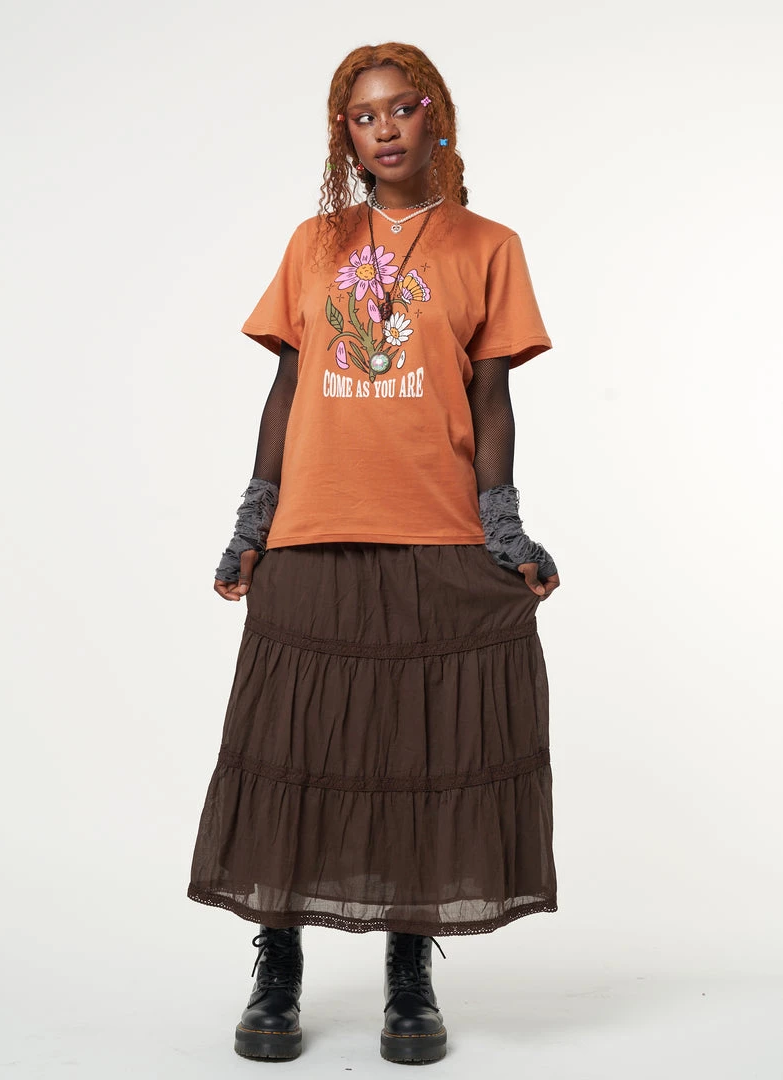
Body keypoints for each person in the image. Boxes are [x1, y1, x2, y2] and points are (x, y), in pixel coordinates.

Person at [187, 41, 560, 1066]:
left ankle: (408, 968)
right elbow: (287, 387)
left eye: (402, 107)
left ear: (436, 114)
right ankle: (278, 965)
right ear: (343, 136)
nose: (384, 128)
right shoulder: (316, 243)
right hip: (314, 530)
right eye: (363, 115)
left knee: (417, 757)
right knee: (292, 751)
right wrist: (253, 520)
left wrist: (503, 525)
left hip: (435, 531)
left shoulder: (489, 245)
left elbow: (492, 399)